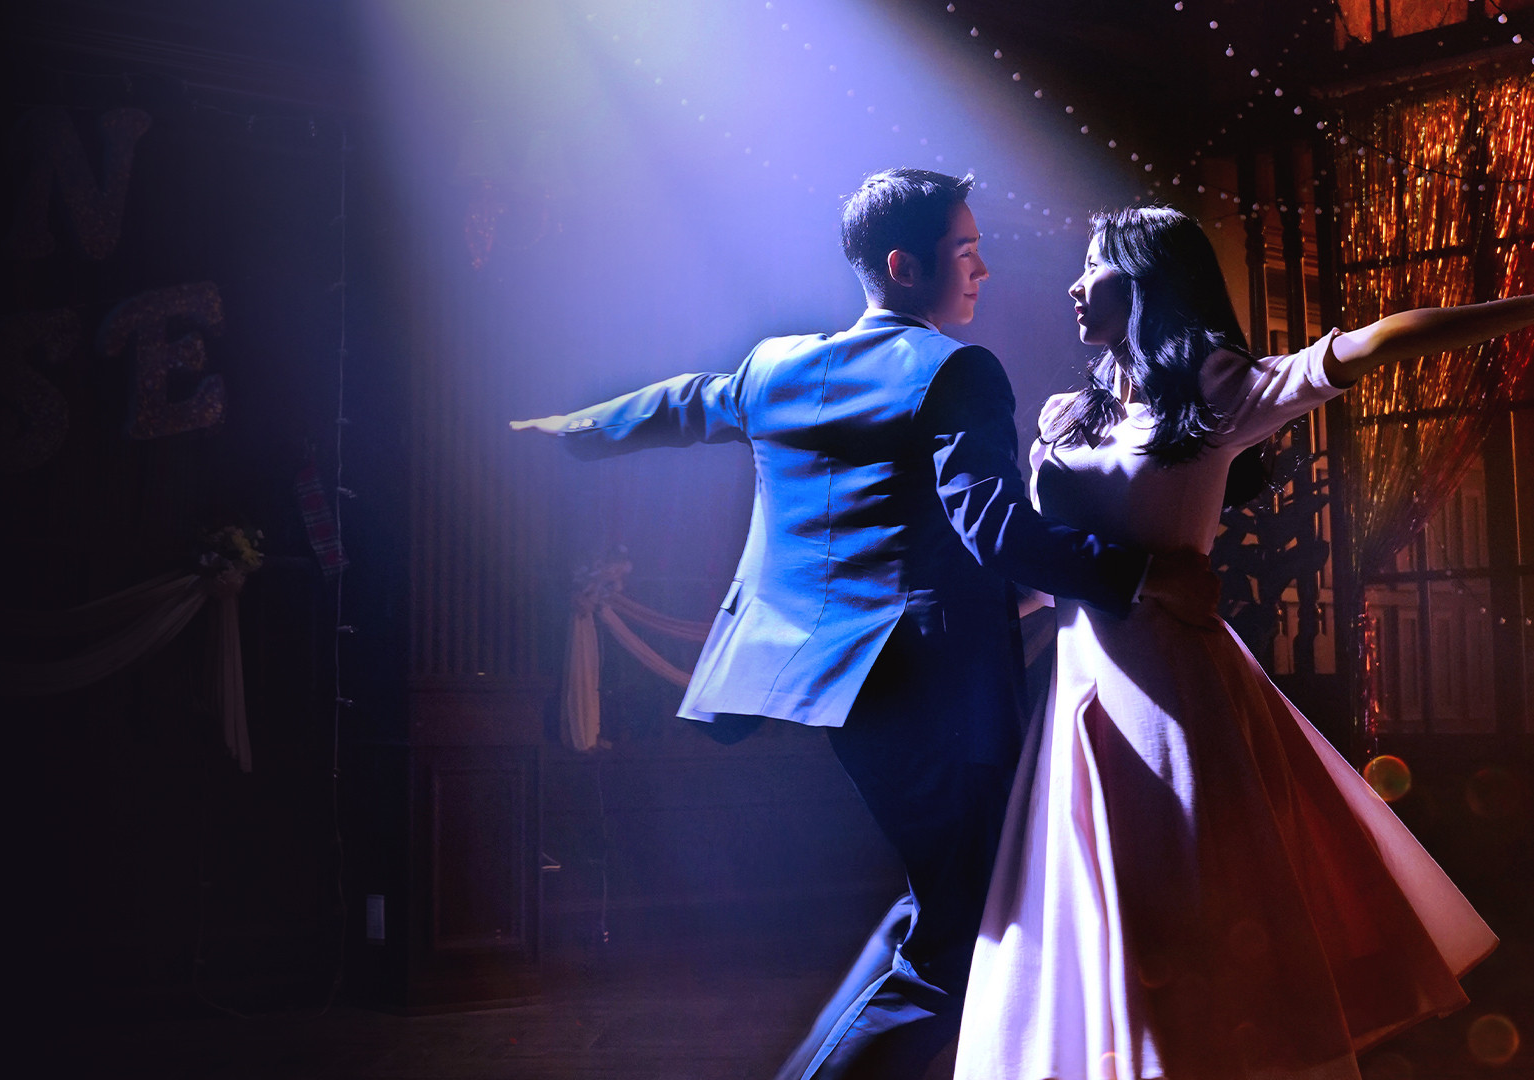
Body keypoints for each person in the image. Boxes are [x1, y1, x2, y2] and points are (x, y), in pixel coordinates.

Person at [512, 170, 1220, 1079]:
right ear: (905, 266)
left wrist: (569, 428)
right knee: (961, 943)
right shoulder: (956, 370)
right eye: (967, 251)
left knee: (946, 906)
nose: (983, 269)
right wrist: (1146, 574)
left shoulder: (775, 367)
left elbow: (685, 403)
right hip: (937, 700)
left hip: (836, 690)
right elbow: (998, 531)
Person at [954, 205, 1534, 1080]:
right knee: (1103, 925)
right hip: (1081, 702)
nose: (1075, 286)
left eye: (1096, 265)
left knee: (1194, 925)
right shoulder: (1067, 415)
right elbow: (1054, 569)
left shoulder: (1215, 389)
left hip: (1174, 701)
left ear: (1149, 278)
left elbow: (1375, 344)